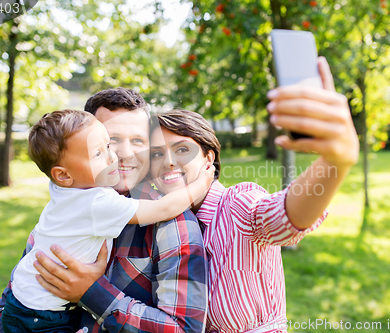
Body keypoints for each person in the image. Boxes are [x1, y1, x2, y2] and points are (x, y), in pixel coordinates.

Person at [147, 57, 359, 332]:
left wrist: (335, 162)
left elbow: (283, 217)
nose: (168, 162)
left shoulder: (237, 204)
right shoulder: (161, 222)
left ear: (208, 159)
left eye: (182, 149)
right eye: (156, 153)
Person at [0, 89, 209, 333]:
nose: (123, 154)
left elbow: (184, 329)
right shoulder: (65, 213)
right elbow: (5, 308)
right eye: (111, 141)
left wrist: (91, 292)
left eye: (138, 141)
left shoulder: (171, 224)